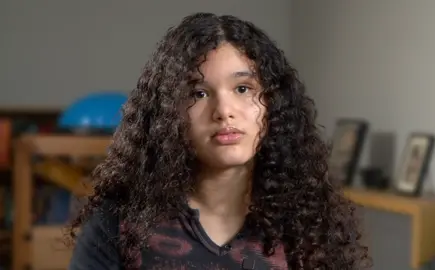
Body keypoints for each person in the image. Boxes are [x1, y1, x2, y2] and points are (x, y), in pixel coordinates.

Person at [68, 12, 370, 270]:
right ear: (167, 110)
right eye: (199, 93)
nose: (224, 112)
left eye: (242, 88)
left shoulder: (311, 223)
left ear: (273, 101)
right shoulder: (117, 223)